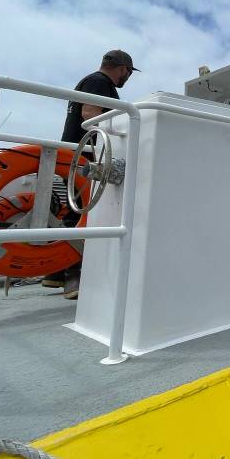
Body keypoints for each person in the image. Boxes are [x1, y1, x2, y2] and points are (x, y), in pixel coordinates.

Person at [48, 50, 139, 299]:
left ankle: (55, 273)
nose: (127, 78)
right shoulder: (100, 82)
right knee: (81, 217)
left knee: (71, 213)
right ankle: (73, 276)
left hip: (75, 156)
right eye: (128, 73)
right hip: (84, 158)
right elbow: (90, 114)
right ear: (122, 69)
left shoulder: (89, 81)